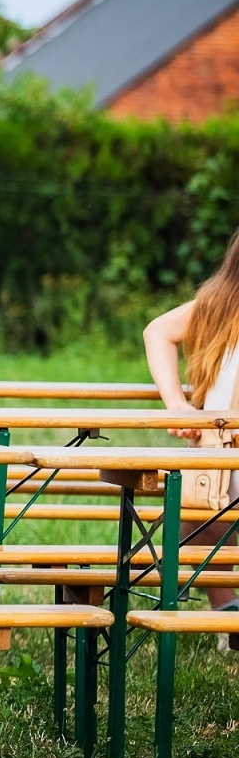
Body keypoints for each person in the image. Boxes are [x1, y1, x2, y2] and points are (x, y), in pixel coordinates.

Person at [144, 232, 239, 647]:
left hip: (215, 456)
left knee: (194, 515)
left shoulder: (219, 301)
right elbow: (158, 331)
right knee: (197, 512)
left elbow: (157, 330)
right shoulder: (220, 304)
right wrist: (178, 407)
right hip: (219, 450)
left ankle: (223, 609)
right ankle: (225, 611)